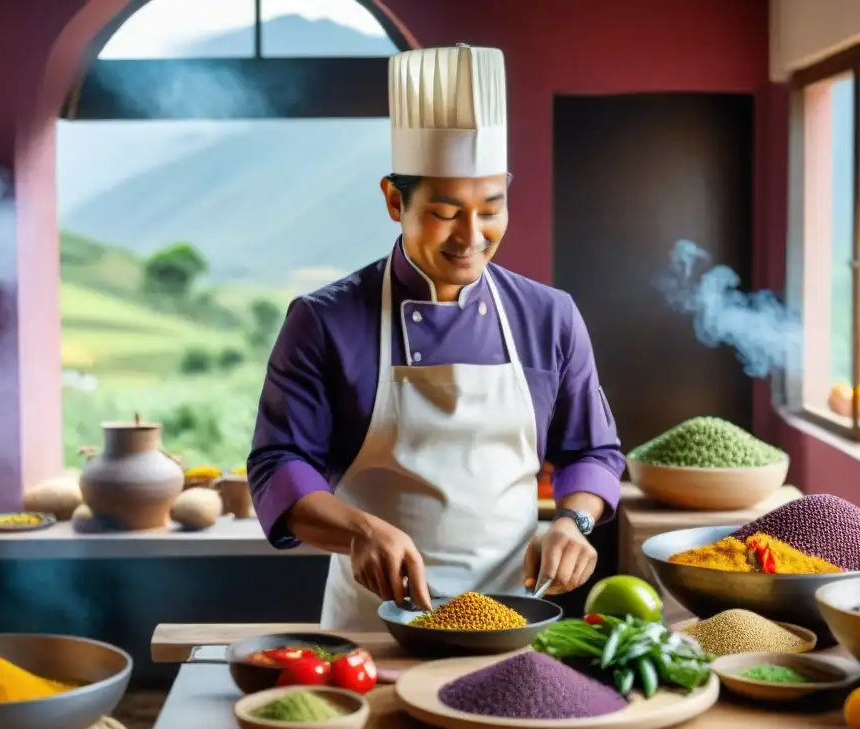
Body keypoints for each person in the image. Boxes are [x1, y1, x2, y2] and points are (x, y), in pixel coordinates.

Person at [248, 44, 625, 631]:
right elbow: (278, 465)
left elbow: (593, 451)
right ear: (395, 200)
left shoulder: (549, 317)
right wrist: (360, 530)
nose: (471, 236)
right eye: (446, 212)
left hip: (513, 621)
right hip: (372, 627)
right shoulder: (324, 321)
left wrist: (571, 522)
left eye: (491, 208)